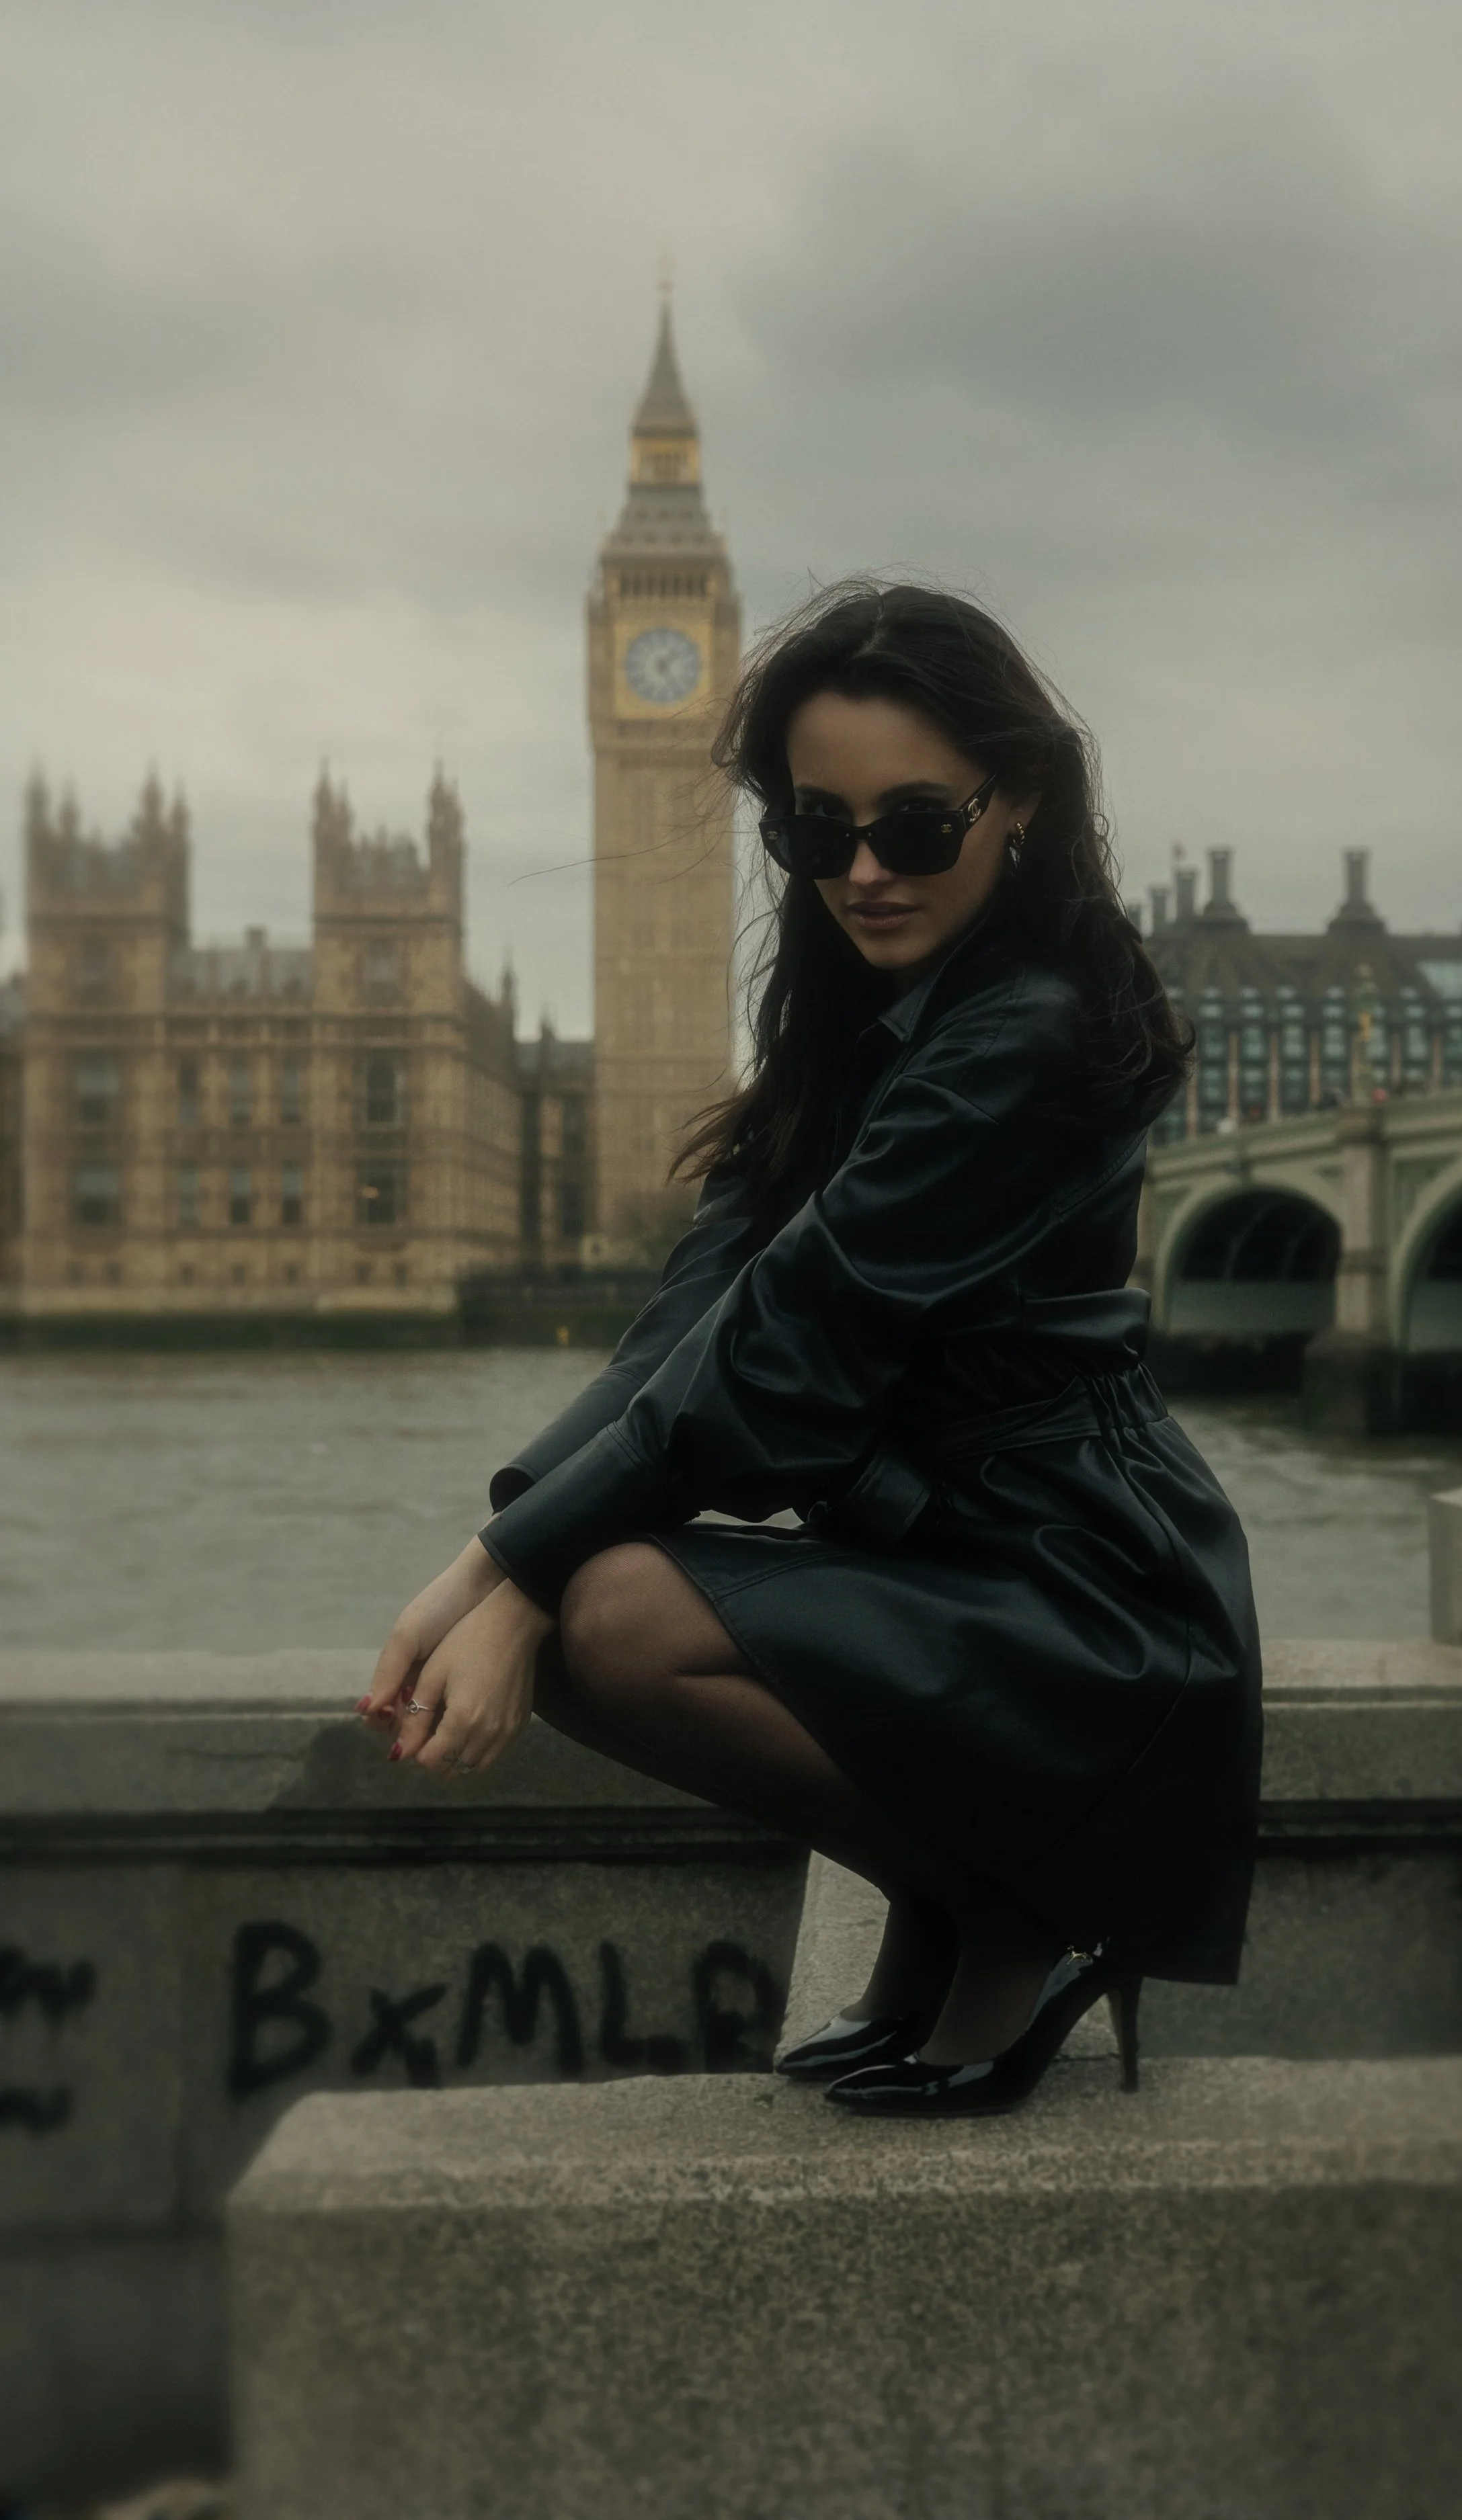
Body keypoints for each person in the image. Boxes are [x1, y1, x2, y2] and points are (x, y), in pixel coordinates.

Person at [360, 581, 1262, 2118]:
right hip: (951, 1556)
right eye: (809, 830)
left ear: (1018, 796)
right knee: (577, 1592)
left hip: (1084, 1594)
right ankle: (952, 1895)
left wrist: (509, 1575)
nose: (858, 871)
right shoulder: (862, 1017)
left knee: (615, 1616)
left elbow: (786, 1350)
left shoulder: (1024, 1034)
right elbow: (695, 1313)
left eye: (911, 826)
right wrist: (487, 1551)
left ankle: (1008, 1904)